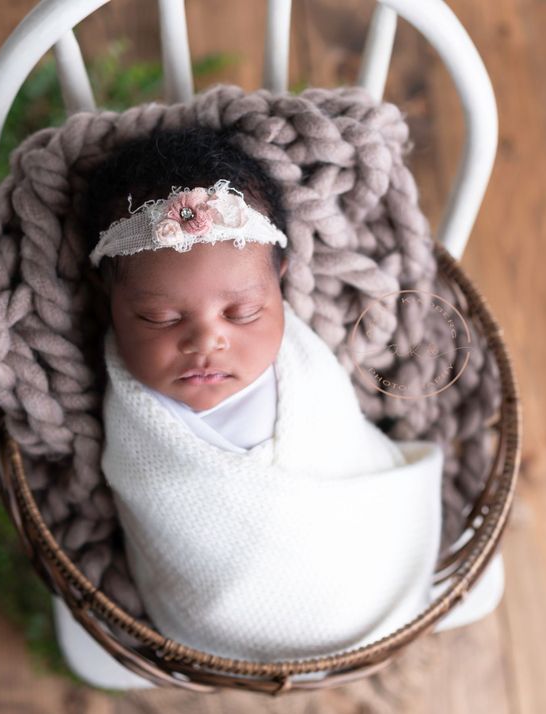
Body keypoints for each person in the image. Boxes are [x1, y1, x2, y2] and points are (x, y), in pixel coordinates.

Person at [82, 125, 445, 662]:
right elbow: (154, 501)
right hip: (223, 618)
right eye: (159, 317)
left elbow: (346, 437)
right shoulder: (137, 413)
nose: (207, 340)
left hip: (367, 540)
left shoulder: (302, 362)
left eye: (243, 312)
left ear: (280, 277)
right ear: (109, 298)